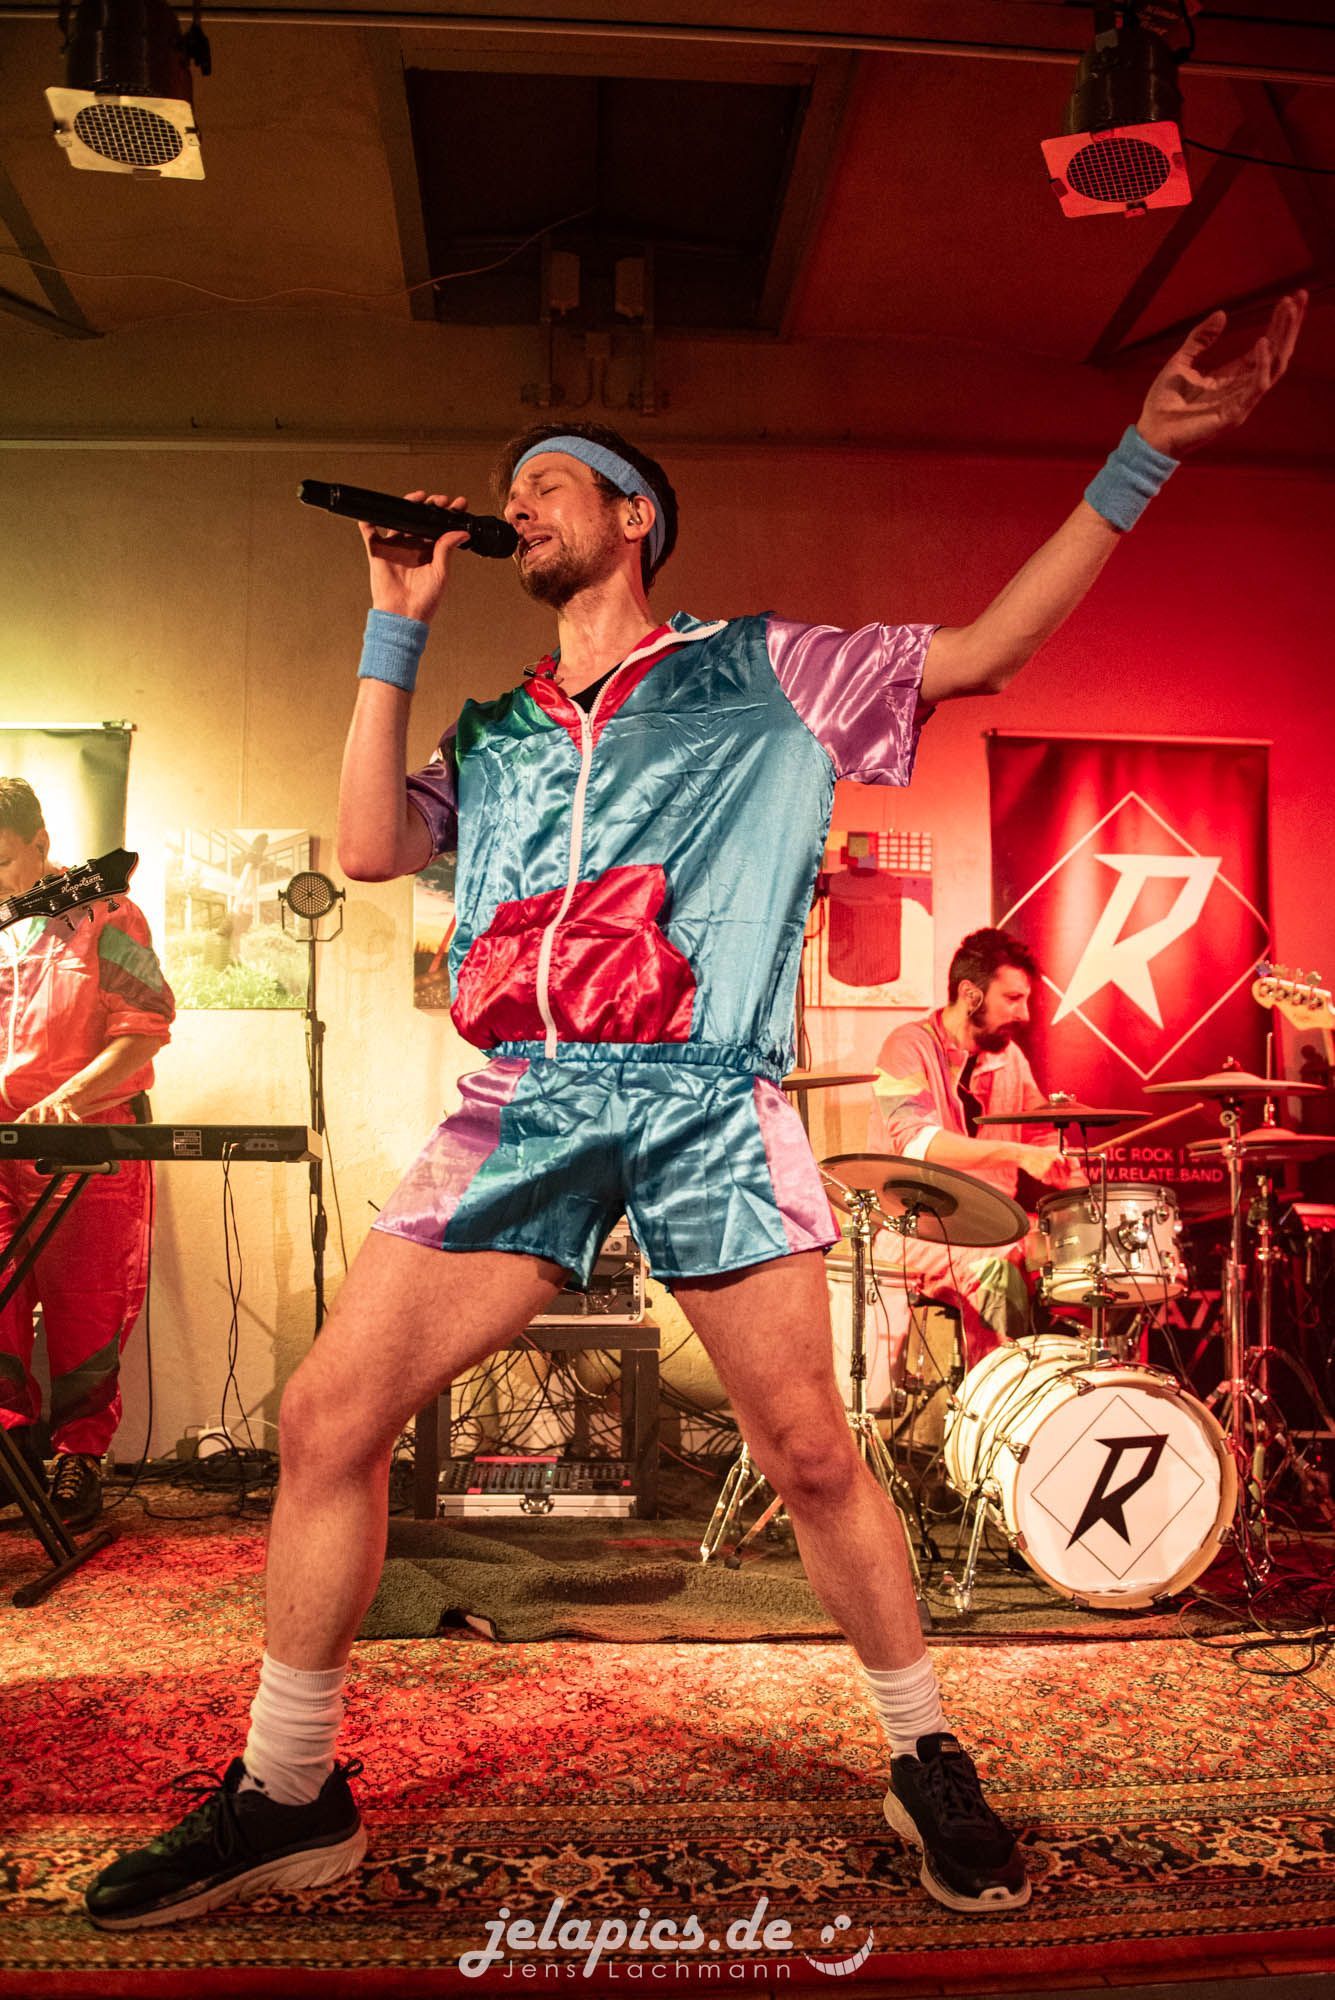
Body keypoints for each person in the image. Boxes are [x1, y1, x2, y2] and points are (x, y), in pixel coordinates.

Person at [85, 293, 1305, 1932]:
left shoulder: (762, 669)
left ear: (633, 516)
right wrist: (392, 625)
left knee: (808, 1451)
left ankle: (923, 1751)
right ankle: (288, 1791)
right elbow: (370, 848)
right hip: (524, 1097)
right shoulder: (501, 728)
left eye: (548, 480)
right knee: (324, 1419)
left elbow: (986, 651)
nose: (516, 502)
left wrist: (1144, 447)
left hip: (703, 1096)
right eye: (508, 488)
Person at [0, 778, 174, 1528]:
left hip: (87, 1147)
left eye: (2, 862)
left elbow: (146, 1025)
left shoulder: (110, 914)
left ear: (40, 843)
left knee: (87, 1308)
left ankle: (79, 1459)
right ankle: (9, 1454)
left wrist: (71, 1096)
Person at [868, 926, 1076, 1369]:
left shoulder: (1009, 1057)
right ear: (970, 994)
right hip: (912, 1230)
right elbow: (915, 1142)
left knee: (1083, 1254)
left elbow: (1038, 1132)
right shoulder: (906, 1046)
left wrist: (1070, 1176)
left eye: (1025, 999)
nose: (1024, 1013)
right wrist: (1018, 1155)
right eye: (1012, 998)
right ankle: (999, 1392)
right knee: (997, 1262)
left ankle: (1072, 1384)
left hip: (994, 1227)